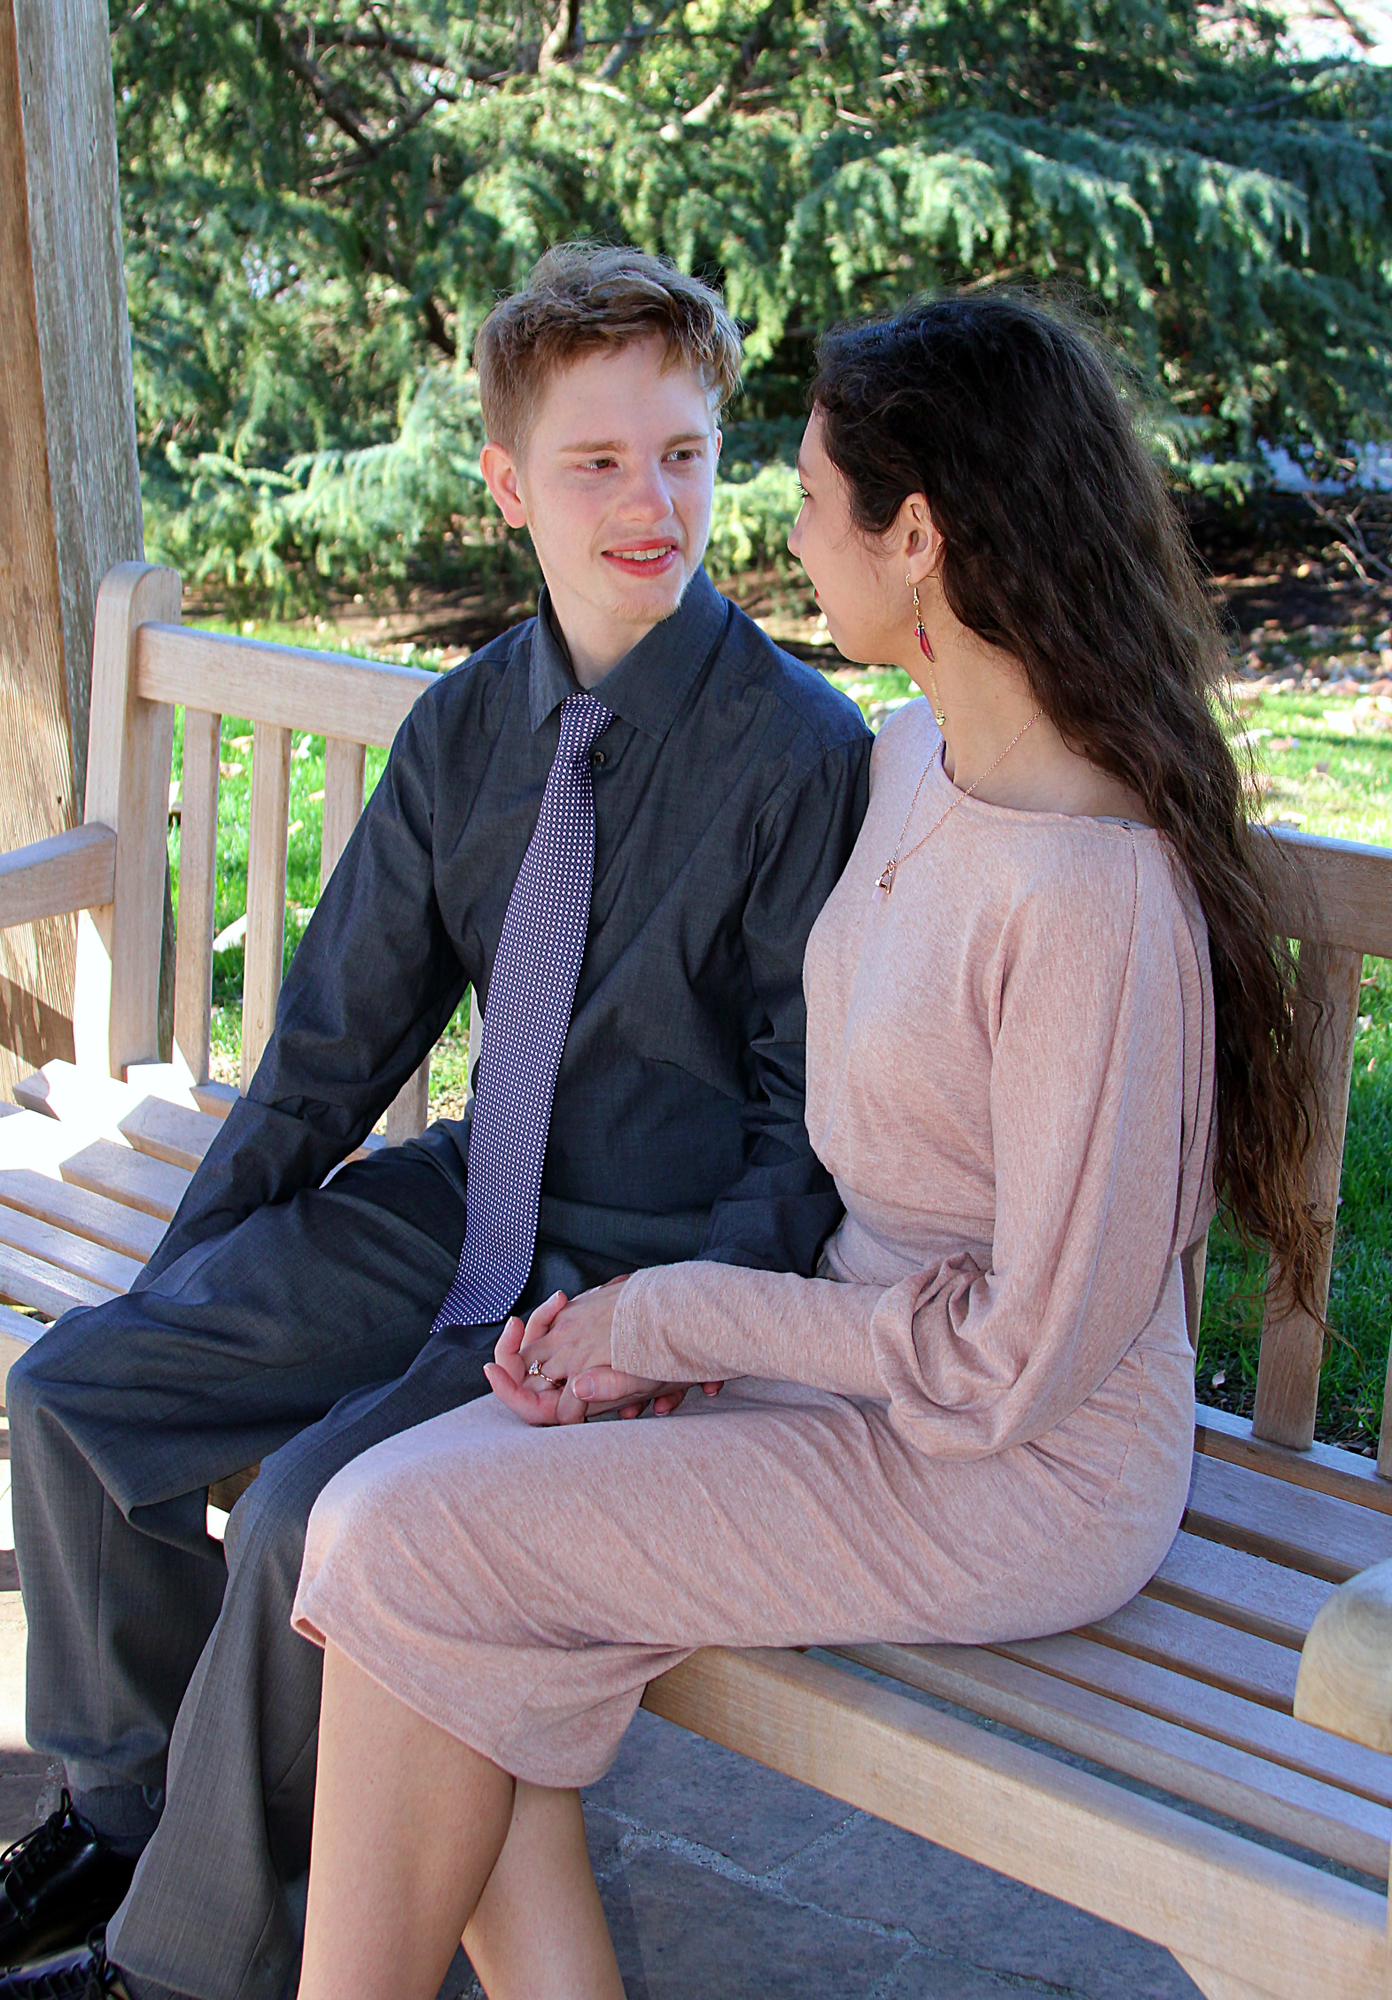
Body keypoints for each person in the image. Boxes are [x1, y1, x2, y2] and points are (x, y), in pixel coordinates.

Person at [282, 292, 1325, 2000]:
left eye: (817, 491)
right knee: (400, 1529)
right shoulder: (914, 759)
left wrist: (679, 1323)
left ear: (916, 541)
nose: (773, 524)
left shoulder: (1092, 901)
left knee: (408, 1542)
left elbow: (1012, 1371)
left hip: (1014, 1476)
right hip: (855, 1364)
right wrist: (668, 1351)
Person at [0, 245, 871, 2000]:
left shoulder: (797, 754)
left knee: (327, 1512)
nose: (655, 505)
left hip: (629, 1274)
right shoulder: (473, 724)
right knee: (77, 1391)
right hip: (465, 1198)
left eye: (686, 454)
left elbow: (803, 1146)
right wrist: (189, 1298)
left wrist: (658, 1335)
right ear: (506, 484)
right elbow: (328, 1051)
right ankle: (129, 1817)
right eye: (598, 463)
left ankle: (184, 1967)